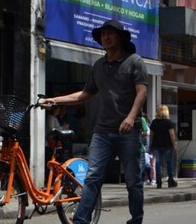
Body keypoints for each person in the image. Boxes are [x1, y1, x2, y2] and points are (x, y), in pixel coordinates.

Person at [40, 19, 148, 224]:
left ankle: (136, 220)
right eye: (103, 34)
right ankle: (81, 221)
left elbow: (142, 92)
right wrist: (54, 99)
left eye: (110, 33)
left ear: (120, 37)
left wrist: (131, 117)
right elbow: (83, 95)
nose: (105, 37)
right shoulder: (98, 66)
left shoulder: (135, 61)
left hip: (128, 132)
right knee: (92, 178)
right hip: (102, 132)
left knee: (134, 182)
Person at [149, 104, 177, 189]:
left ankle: (158, 181)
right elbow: (172, 134)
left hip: (157, 145)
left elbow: (152, 135)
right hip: (167, 145)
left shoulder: (154, 122)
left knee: (158, 163)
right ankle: (171, 180)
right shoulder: (169, 122)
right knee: (169, 163)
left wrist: (151, 144)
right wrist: (174, 144)